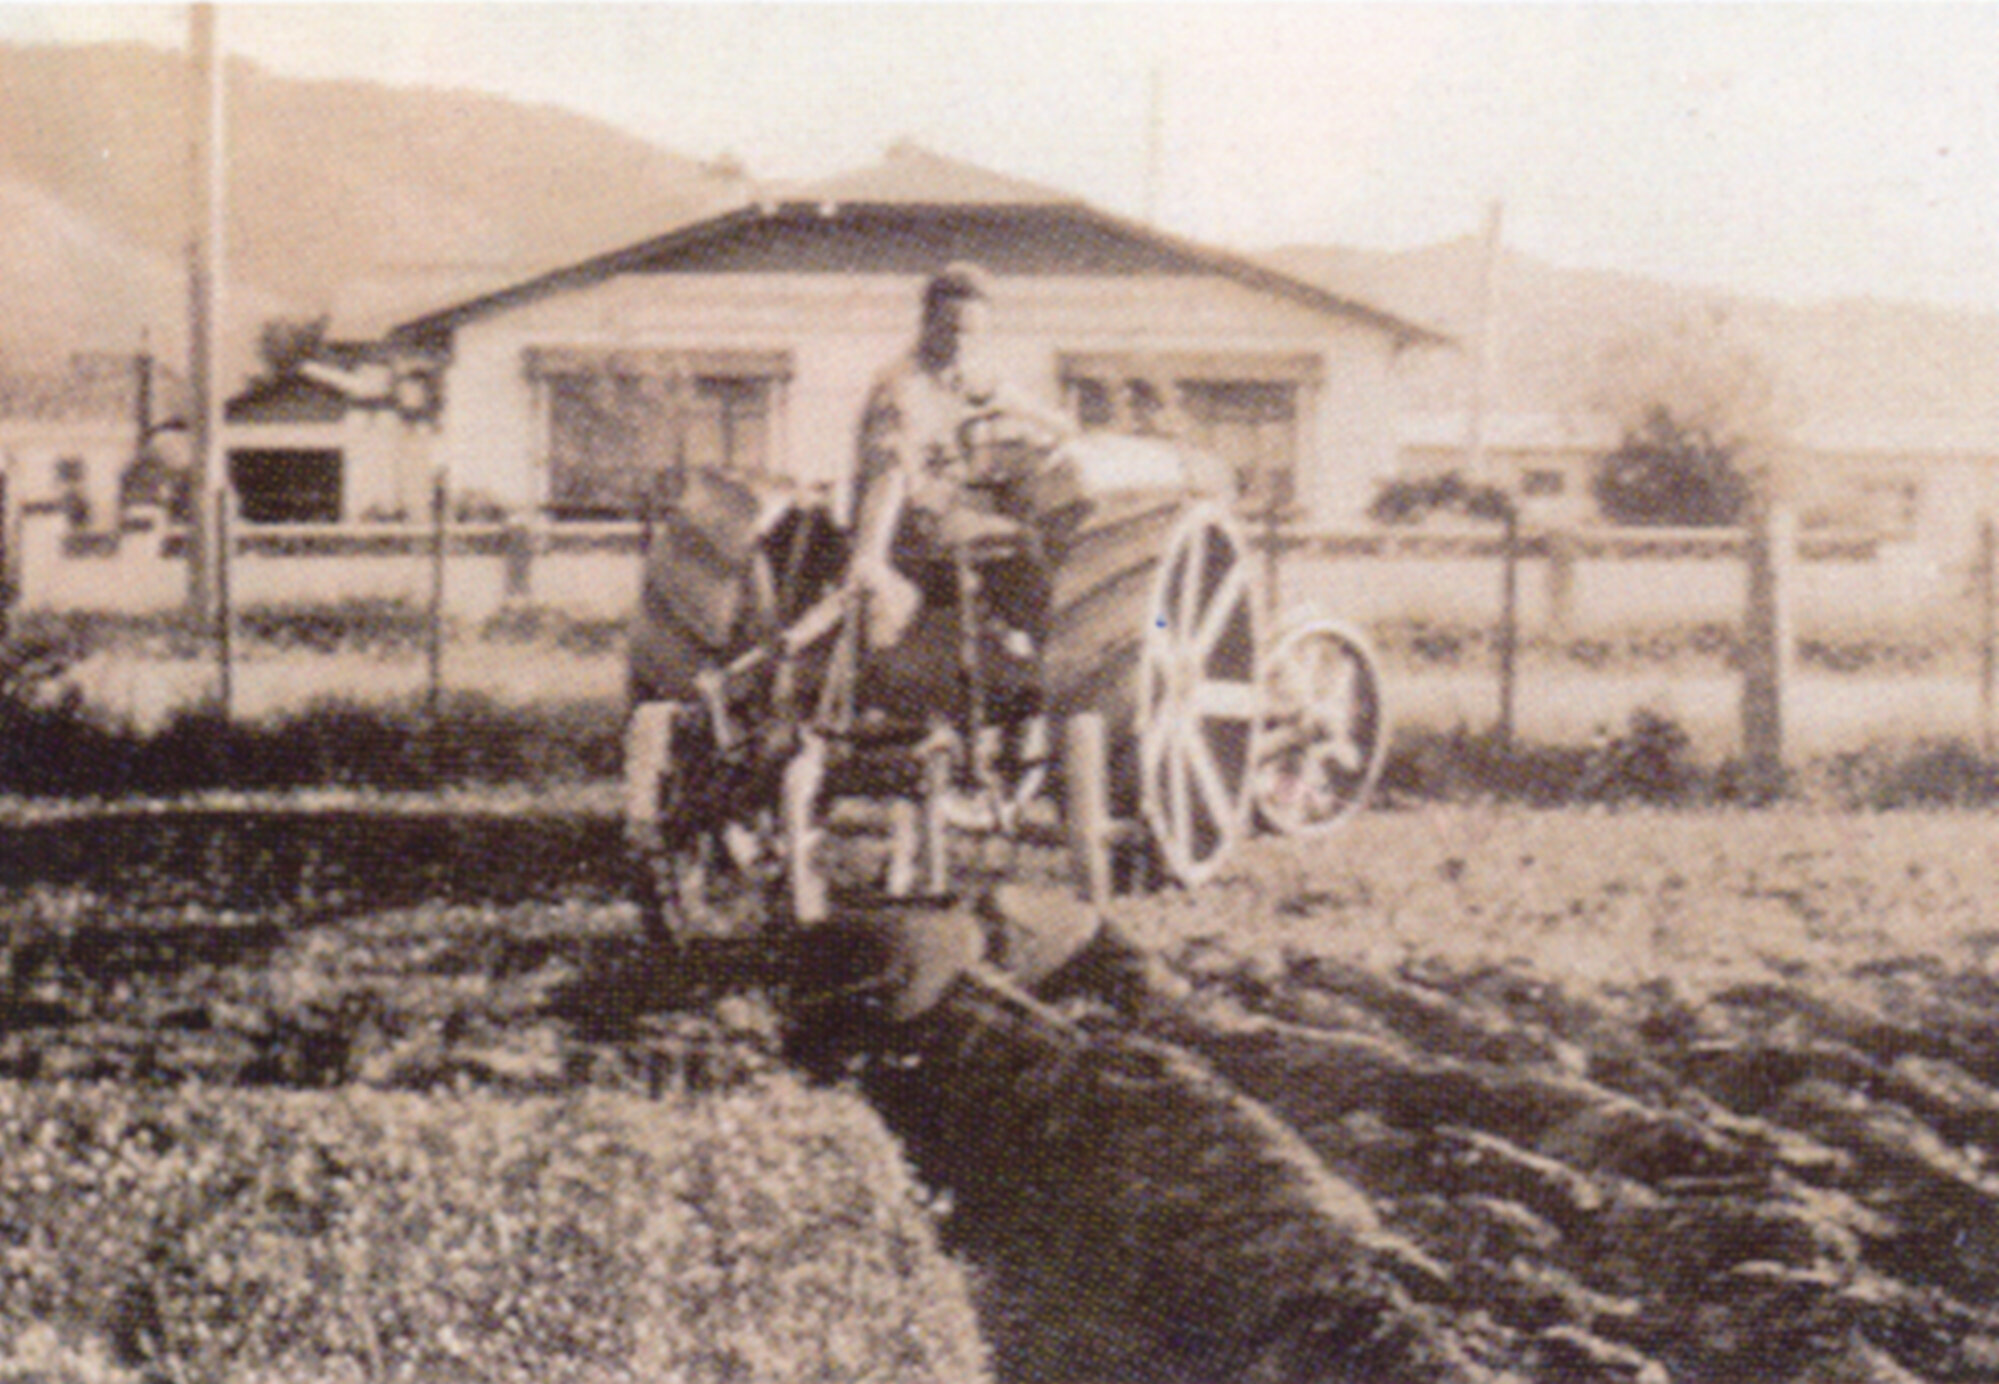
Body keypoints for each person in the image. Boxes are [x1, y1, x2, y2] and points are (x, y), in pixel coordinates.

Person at [846, 262, 1068, 656]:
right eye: (953, 331)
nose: (962, 344)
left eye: (972, 334)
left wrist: (1060, 427)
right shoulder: (903, 388)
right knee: (1026, 547)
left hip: (945, 509)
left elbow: (1008, 397)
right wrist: (870, 556)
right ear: (927, 323)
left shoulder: (960, 372)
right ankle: (1039, 657)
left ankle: (1008, 635)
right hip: (911, 522)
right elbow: (889, 472)